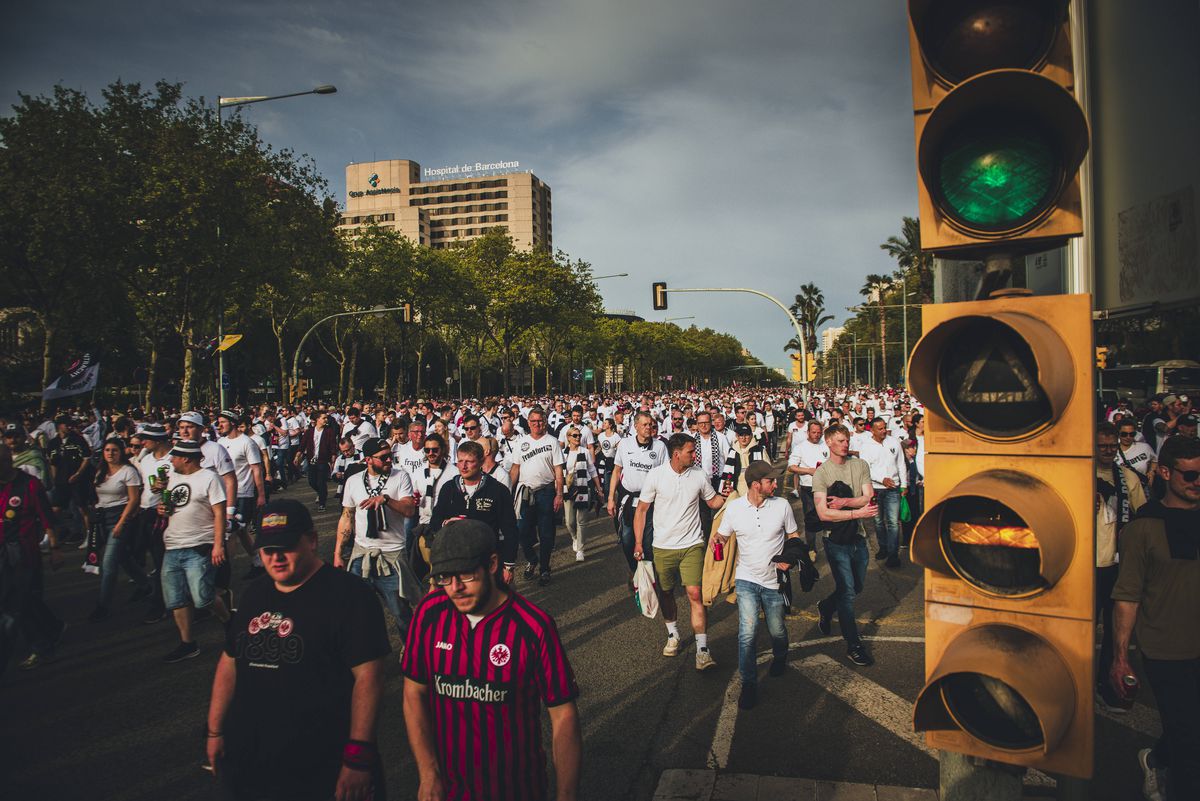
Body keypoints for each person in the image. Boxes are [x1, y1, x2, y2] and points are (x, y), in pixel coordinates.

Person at [206, 498, 391, 801]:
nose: (276, 558)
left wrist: (358, 756)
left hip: (322, 762)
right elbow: (230, 660)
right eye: (267, 549)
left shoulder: (350, 595)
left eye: (287, 546)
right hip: (254, 758)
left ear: (313, 541)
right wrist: (215, 731)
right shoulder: (255, 593)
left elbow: (369, 678)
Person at [401, 519, 581, 801]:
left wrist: (566, 796)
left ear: (493, 564)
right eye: (445, 577)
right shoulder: (429, 613)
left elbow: (563, 715)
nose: (455, 587)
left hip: (515, 789)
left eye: (466, 574)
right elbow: (414, 692)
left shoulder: (533, 627)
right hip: (449, 789)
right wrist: (428, 772)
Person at [1111, 435, 1200, 801]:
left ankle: (1156, 759)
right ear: (1165, 472)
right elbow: (1127, 596)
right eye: (1189, 476)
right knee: (1190, 741)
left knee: (1188, 729)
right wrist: (1119, 658)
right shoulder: (1143, 529)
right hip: (1165, 650)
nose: (1197, 483)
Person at [634, 433, 727, 670]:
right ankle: (673, 634)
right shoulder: (656, 475)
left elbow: (712, 501)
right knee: (666, 593)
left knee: (695, 594)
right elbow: (642, 510)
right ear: (677, 454)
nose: (695, 456)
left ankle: (702, 649)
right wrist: (638, 543)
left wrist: (731, 496)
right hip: (662, 546)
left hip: (692, 545)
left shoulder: (698, 474)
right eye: (690, 452)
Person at [715, 460, 801, 709]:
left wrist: (790, 559)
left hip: (774, 581)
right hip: (746, 579)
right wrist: (717, 540)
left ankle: (780, 656)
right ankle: (749, 685)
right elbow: (723, 533)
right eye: (770, 481)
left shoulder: (782, 505)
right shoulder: (735, 509)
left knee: (777, 631)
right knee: (747, 633)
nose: (775, 484)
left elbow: (793, 536)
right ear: (755, 485)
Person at [336, 437, 418, 646]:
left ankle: (412, 653)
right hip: (361, 554)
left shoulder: (400, 477)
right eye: (383, 457)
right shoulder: (353, 481)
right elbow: (347, 516)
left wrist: (387, 500)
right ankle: (363, 653)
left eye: (390, 455)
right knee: (355, 610)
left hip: (391, 555)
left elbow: (409, 510)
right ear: (368, 460)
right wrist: (338, 553)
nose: (389, 460)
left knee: (400, 612)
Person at [156, 439, 231, 663]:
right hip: (172, 545)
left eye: (174, 456)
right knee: (176, 599)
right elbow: (171, 507)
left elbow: (219, 513)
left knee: (203, 599)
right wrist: (162, 508)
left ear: (186, 458)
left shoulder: (209, 478)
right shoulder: (172, 478)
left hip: (199, 545)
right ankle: (187, 643)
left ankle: (228, 620)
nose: (170, 460)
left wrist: (218, 544)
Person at [813, 424, 878, 667]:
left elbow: (868, 496)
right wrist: (856, 511)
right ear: (828, 443)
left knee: (856, 586)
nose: (845, 444)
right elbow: (823, 513)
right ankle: (854, 645)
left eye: (846, 439)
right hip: (835, 540)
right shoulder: (822, 473)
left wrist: (844, 502)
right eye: (840, 440)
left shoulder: (859, 465)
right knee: (848, 592)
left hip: (858, 537)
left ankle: (826, 606)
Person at [1094, 421, 1147, 713]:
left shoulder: (1128, 478)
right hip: (1085, 566)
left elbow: (1143, 517)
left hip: (1116, 566)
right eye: (1101, 446)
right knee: (1082, 633)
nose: (1106, 451)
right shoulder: (1078, 476)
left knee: (1116, 635)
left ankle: (1108, 684)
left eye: (1111, 446)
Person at [0, 443, 65, 672]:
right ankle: (53, 628)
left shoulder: (29, 484)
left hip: (23, 553)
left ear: (8, 461)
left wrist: (55, 548)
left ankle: (42, 648)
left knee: (19, 603)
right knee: (21, 601)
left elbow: (46, 517)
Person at [430, 440, 519, 583]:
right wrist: (446, 523)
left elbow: (510, 530)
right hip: (455, 559)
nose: (463, 466)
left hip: (486, 559)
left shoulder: (497, 490)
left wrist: (508, 566)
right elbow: (434, 522)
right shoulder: (449, 488)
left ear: (481, 462)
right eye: (460, 461)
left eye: (469, 461)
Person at [88, 438, 150, 621]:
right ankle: (146, 584)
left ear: (121, 452)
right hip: (101, 517)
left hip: (120, 516)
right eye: (107, 450)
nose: (110, 453)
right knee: (123, 557)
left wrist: (121, 522)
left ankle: (103, 605)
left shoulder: (128, 471)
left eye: (114, 450)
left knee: (108, 564)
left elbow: (133, 500)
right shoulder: (101, 471)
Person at [508, 406, 565, 586]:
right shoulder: (521, 442)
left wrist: (559, 494)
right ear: (529, 423)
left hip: (546, 491)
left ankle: (545, 568)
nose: (536, 424)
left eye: (539, 421)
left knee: (547, 534)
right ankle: (532, 559)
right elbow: (515, 468)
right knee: (522, 531)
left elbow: (558, 470)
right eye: (533, 421)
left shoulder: (552, 441)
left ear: (545, 422)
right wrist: (508, 493)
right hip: (525, 492)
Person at [608, 412, 668, 575]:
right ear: (636, 426)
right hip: (628, 501)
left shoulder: (660, 447)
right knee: (627, 540)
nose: (649, 428)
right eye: (645, 424)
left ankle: (647, 577)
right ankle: (634, 571)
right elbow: (616, 470)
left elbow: (665, 475)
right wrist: (611, 498)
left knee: (647, 543)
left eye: (651, 425)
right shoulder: (625, 444)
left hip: (649, 502)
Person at [857, 417, 906, 568]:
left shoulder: (894, 442)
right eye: (880, 429)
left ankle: (893, 555)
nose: (884, 431)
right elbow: (865, 469)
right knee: (878, 522)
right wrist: (881, 479)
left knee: (893, 523)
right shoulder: (866, 446)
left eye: (884, 427)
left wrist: (904, 485)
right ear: (872, 430)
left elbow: (901, 463)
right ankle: (883, 548)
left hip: (893, 489)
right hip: (875, 489)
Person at [786, 420, 830, 554]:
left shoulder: (827, 445)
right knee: (811, 519)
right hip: (809, 488)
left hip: (827, 487)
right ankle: (811, 549)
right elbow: (791, 466)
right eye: (814, 432)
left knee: (828, 517)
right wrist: (809, 471)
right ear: (808, 432)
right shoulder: (800, 447)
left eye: (819, 432)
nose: (816, 435)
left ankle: (829, 545)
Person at [562, 426, 602, 562]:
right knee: (569, 521)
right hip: (568, 489)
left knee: (582, 521)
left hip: (584, 487)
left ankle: (580, 549)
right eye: (574, 435)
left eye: (579, 435)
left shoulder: (584, 451)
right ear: (568, 438)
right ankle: (574, 537)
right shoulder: (563, 453)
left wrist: (599, 488)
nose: (578, 438)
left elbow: (592, 470)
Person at [297, 410, 338, 511]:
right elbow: (302, 445)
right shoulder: (309, 432)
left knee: (321, 481)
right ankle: (321, 493)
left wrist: (333, 456)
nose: (326, 420)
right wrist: (297, 455)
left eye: (326, 418)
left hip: (323, 460)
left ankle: (322, 503)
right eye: (323, 418)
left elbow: (333, 444)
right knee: (311, 481)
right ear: (317, 420)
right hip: (311, 459)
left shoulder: (329, 431)